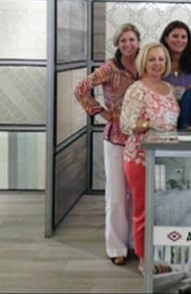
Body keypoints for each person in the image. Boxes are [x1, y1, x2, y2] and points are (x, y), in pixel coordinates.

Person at [74, 23, 140, 266]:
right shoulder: (109, 68)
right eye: (123, 40)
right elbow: (81, 89)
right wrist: (101, 113)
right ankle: (116, 247)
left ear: (139, 41)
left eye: (132, 39)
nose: (128, 44)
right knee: (116, 194)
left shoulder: (143, 66)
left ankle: (135, 242)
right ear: (118, 44)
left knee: (136, 193)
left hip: (141, 137)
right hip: (117, 138)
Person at [120, 42, 180, 276]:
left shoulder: (170, 88)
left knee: (164, 209)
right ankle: (145, 258)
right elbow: (126, 125)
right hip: (141, 159)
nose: (157, 64)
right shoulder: (137, 89)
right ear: (144, 62)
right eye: (152, 59)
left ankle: (162, 254)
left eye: (161, 59)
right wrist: (148, 124)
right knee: (144, 211)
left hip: (167, 159)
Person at [160, 20, 191, 100]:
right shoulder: (159, 63)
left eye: (183, 37)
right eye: (175, 36)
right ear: (166, 39)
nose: (179, 40)